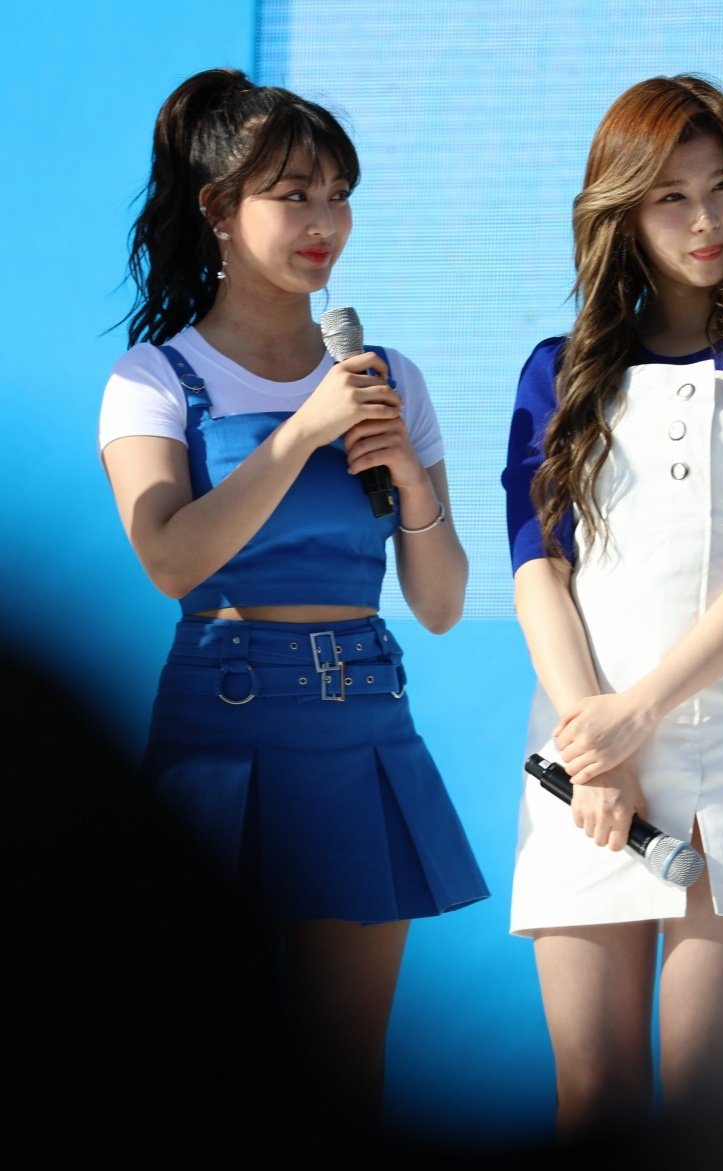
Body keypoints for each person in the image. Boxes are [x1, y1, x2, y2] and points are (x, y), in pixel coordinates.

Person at [98, 66, 489, 1139]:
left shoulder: (388, 375)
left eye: (338, 195)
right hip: (219, 720)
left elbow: (441, 602)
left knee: (343, 1083)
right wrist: (302, 432)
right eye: (293, 196)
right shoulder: (154, 378)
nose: (325, 223)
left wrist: (410, 484)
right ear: (218, 210)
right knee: (202, 1076)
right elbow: (169, 558)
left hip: (360, 717)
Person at [501, 73, 723, 1142]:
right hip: (583, 759)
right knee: (592, 1099)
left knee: (711, 1107)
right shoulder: (557, 373)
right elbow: (536, 567)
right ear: (621, 209)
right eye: (670, 196)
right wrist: (596, 746)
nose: (705, 220)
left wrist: (638, 713)